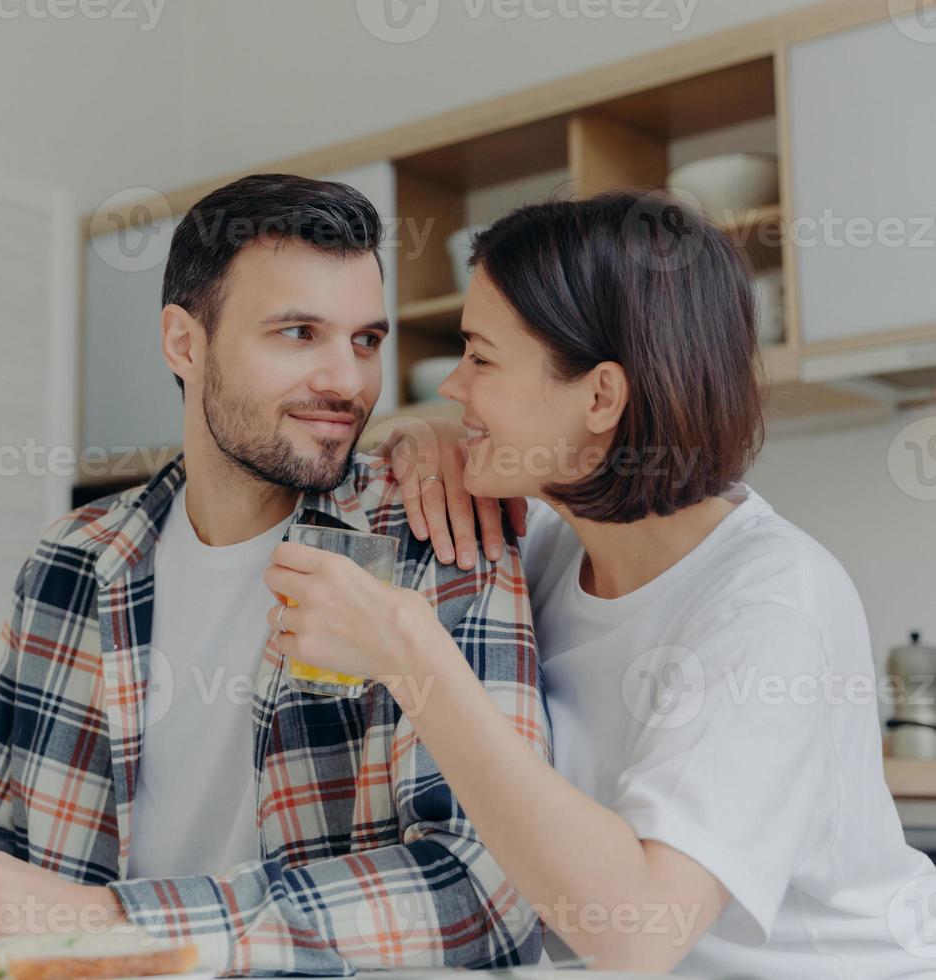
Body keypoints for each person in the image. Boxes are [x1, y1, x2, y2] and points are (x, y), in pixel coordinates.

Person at [0, 173, 551, 973]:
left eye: (366, 341)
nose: (347, 382)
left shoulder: (436, 536)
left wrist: (114, 920)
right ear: (184, 342)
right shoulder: (73, 557)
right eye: (298, 334)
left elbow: (482, 891)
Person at [272, 191, 936, 976]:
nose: (453, 386)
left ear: (600, 397)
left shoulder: (770, 604)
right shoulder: (553, 547)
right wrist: (418, 438)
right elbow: (400, 437)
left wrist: (414, 657)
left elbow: (639, 931)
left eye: (481, 358)